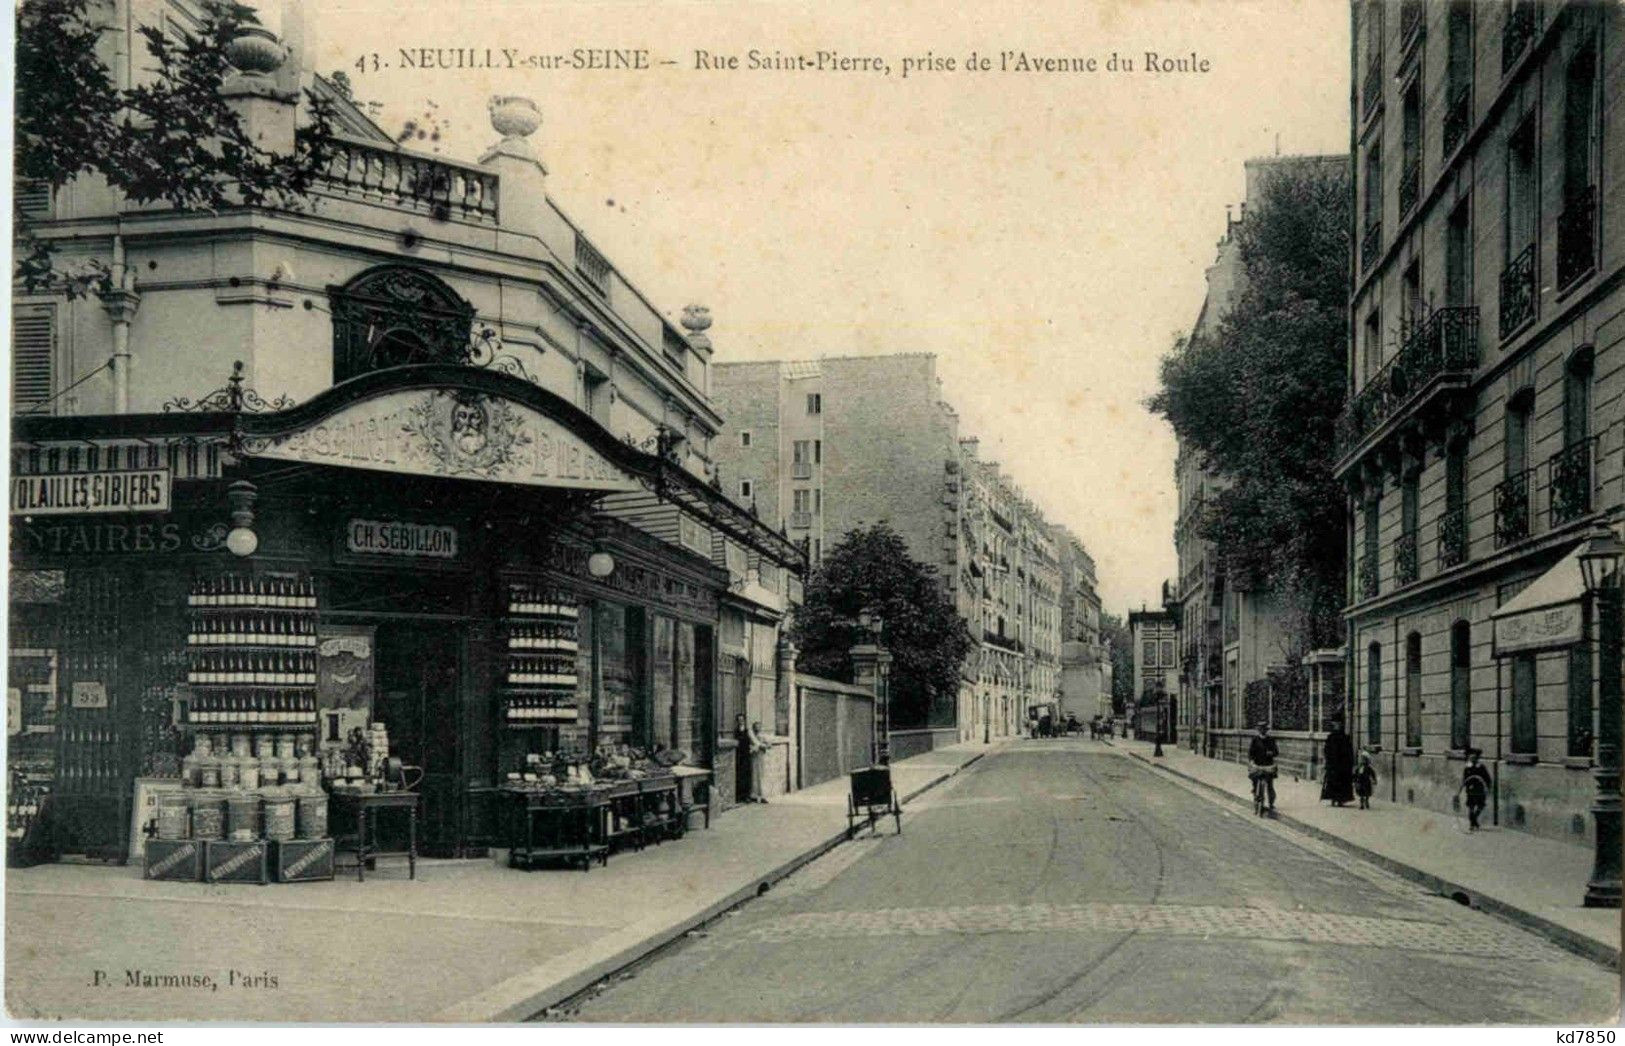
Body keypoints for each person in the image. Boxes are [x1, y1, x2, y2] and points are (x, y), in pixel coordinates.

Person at [1320, 719, 1355, 807]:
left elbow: (1349, 751)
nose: (1337, 726)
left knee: (1342, 782)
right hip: (1333, 765)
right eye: (1335, 724)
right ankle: (1333, 798)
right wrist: (1328, 761)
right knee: (1333, 782)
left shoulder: (1345, 737)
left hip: (1343, 765)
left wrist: (1349, 763)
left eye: (1338, 724)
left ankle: (1340, 799)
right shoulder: (1330, 737)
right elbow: (1326, 750)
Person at [1248, 721, 1279, 812]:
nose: (1262, 731)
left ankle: (1271, 803)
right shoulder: (1255, 740)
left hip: (1268, 765)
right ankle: (1256, 799)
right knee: (1254, 782)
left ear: (1266, 730)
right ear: (1258, 730)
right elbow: (1250, 753)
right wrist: (1251, 761)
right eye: (1260, 729)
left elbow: (1276, 752)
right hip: (1257, 765)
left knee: (1270, 785)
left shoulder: (1271, 740)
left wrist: (1272, 753)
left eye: (1264, 729)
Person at [1458, 747, 1491, 830]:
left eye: (1475, 758)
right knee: (1471, 807)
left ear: (1477, 758)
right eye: (1471, 758)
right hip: (1471, 790)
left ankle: (1474, 819)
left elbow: (1487, 778)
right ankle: (1472, 824)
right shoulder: (1467, 768)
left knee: (1480, 806)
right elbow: (1465, 779)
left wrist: (1487, 787)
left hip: (1480, 790)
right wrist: (1464, 786)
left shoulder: (1481, 767)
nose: (1473, 759)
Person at [747, 720, 771, 803]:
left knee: (761, 776)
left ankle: (762, 795)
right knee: (753, 775)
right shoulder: (751, 736)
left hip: (760, 757)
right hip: (753, 757)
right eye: (755, 726)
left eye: (758, 726)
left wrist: (764, 746)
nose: (757, 728)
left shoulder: (762, 736)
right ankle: (753, 795)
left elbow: (769, 745)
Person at [733, 714, 754, 803]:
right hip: (739, 755)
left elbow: (753, 741)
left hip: (746, 756)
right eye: (739, 720)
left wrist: (751, 750)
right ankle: (740, 796)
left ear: (744, 721)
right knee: (739, 775)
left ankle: (747, 796)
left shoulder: (748, 731)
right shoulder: (736, 731)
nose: (740, 721)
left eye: (742, 720)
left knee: (747, 775)